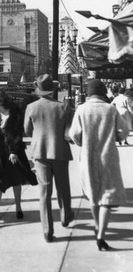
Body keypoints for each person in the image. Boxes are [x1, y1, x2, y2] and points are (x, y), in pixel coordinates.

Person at [69, 79, 128, 251]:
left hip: (88, 157)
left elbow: (74, 134)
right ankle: (101, 235)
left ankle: (97, 226)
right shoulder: (110, 109)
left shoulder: (81, 109)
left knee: (93, 195)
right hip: (108, 157)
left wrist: (83, 142)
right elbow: (124, 130)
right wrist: (116, 138)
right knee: (107, 197)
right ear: (103, 93)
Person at [24, 74, 74, 243]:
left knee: (44, 192)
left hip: (40, 152)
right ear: (52, 90)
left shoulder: (31, 107)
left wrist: (38, 137)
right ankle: (66, 216)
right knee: (63, 187)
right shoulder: (63, 107)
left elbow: (27, 130)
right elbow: (69, 131)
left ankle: (47, 230)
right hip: (59, 151)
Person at [0, 90, 37, 226]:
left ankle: (18, 207)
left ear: (0, 102)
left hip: (13, 152)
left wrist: (14, 151)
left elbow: (17, 133)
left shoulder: (15, 113)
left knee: (16, 180)